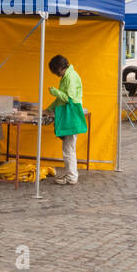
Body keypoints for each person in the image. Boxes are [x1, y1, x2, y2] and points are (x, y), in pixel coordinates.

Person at [47, 54, 87, 186]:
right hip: (69, 114)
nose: (55, 74)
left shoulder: (70, 77)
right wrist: (49, 109)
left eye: (55, 71)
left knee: (68, 148)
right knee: (70, 147)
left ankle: (71, 177)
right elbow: (60, 99)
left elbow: (68, 98)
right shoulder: (67, 76)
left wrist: (54, 91)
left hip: (71, 115)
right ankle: (71, 173)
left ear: (59, 68)